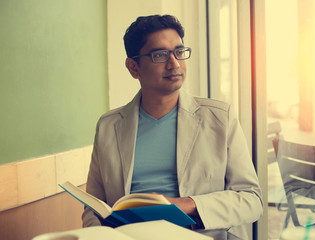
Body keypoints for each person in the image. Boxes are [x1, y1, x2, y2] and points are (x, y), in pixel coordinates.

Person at [82, 14, 263, 240]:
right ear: (133, 67)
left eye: (179, 52)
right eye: (160, 55)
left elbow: (251, 200)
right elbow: (93, 207)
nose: (174, 64)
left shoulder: (219, 117)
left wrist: (185, 205)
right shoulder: (108, 126)